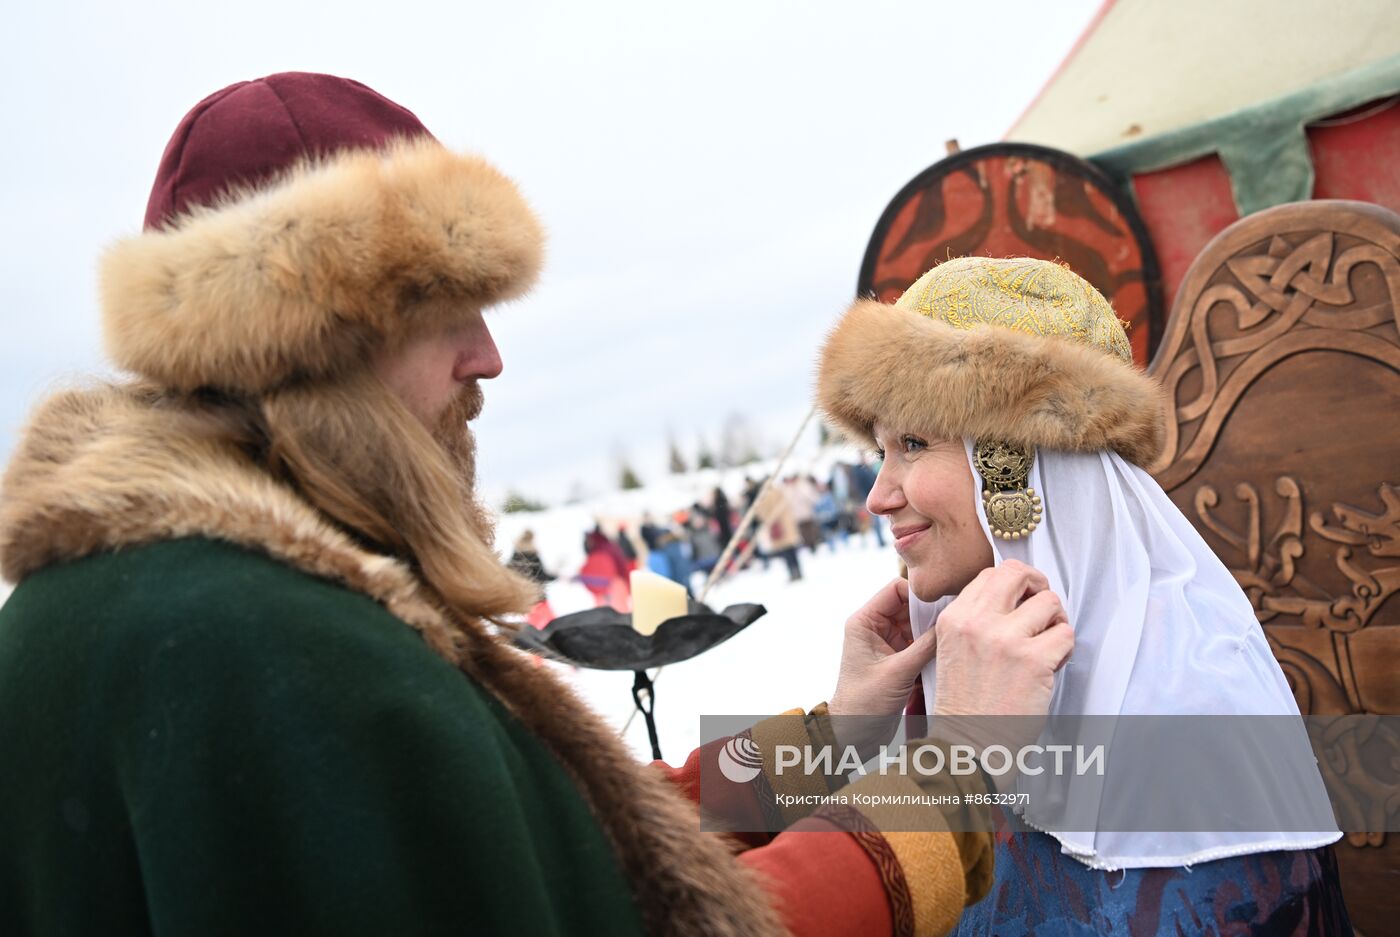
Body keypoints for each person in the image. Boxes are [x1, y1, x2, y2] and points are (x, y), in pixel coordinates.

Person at [0, 74, 1071, 937]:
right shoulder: (251, 645)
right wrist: (949, 774)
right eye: (446, 309)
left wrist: (831, 742)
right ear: (305, 335)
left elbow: (547, 850)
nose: (489, 356)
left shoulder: (185, 601)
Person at [816, 256, 1354, 935]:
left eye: (915, 444)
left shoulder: (1190, 717)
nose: (877, 496)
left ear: (1013, 464)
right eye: (880, 452)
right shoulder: (933, 689)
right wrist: (840, 736)